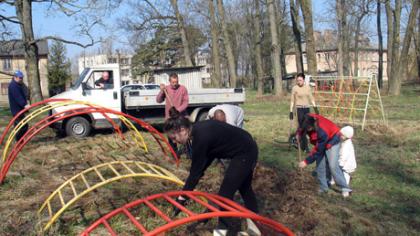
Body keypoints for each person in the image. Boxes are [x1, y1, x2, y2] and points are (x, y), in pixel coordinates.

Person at [164, 111, 259, 234]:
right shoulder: (197, 130)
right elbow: (206, 160)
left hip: (245, 152)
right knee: (244, 188)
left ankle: (222, 230)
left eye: (174, 138)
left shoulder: (201, 137)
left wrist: (182, 197)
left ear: (182, 129)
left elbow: (195, 173)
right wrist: (184, 196)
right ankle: (255, 228)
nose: (175, 142)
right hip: (246, 146)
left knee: (224, 195)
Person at [297, 114, 352, 197]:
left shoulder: (322, 131)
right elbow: (301, 128)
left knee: (333, 165)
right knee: (320, 166)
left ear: (313, 125)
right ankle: (324, 187)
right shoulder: (306, 119)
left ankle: (345, 188)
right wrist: (299, 134)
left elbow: (318, 150)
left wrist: (306, 161)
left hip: (332, 140)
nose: (307, 130)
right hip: (321, 141)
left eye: (308, 128)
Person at [156, 73, 189, 156]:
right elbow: (158, 100)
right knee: (171, 136)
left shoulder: (183, 89)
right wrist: (161, 91)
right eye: (173, 82)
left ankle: (188, 152)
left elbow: (186, 102)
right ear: (169, 81)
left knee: (184, 136)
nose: (175, 84)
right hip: (169, 118)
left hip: (181, 117)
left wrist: (178, 110)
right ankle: (174, 154)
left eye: (176, 82)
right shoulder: (166, 89)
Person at [289, 73, 318, 152]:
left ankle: (296, 139)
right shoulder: (295, 88)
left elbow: (311, 98)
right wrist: (291, 111)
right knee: (303, 127)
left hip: (307, 108)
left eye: (300, 80)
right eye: (298, 80)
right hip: (299, 109)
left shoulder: (307, 88)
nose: (299, 82)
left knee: (309, 126)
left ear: (304, 80)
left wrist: (315, 108)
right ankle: (305, 147)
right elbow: (292, 100)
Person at [8, 70, 30, 141]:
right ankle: (19, 141)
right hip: (17, 110)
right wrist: (24, 105)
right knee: (22, 126)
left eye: (22, 78)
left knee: (21, 126)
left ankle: (20, 140)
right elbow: (18, 97)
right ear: (15, 77)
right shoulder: (13, 86)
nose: (21, 79)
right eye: (20, 78)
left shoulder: (17, 85)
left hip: (19, 110)